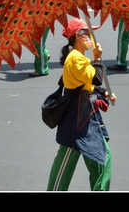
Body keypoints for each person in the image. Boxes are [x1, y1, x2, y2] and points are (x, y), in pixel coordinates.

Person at [47, 18, 116, 191]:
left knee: (103, 157)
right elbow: (96, 77)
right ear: (78, 35)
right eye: (87, 33)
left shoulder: (80, 58)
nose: (90, 37)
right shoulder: (75, 59)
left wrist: (104, 92)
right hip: (75, 119)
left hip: (88, 115)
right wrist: (98, 58)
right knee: (67, 159)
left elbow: (90, 85)